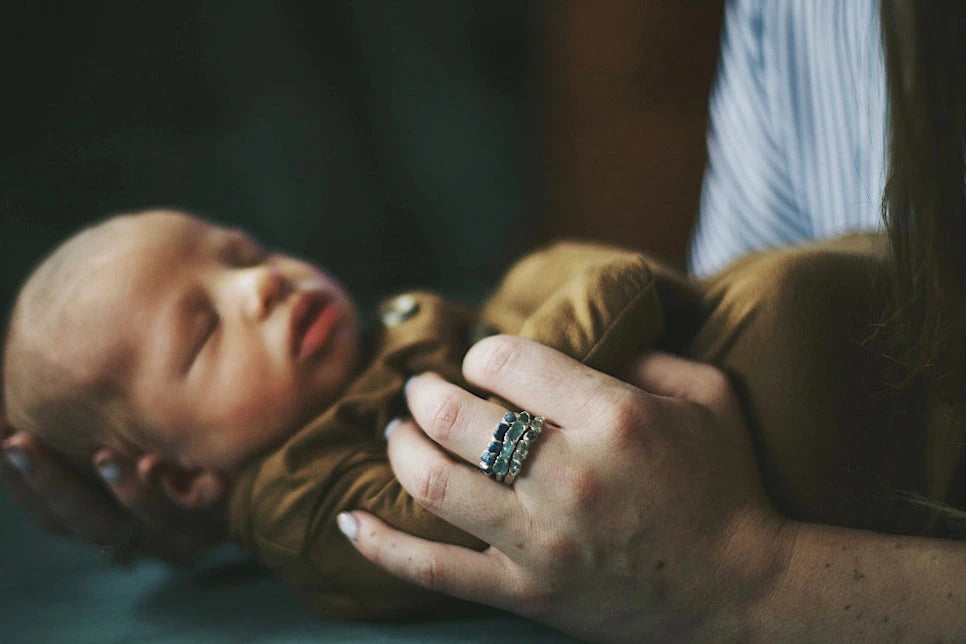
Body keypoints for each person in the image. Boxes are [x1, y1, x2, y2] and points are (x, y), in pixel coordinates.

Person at [4, 0, 966, 639]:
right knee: (798, 306)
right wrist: (590, 309)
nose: (258, 287)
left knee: (805, 301)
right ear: (175, 476)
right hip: (752, 443)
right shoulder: (305, 503)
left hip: (751, 422)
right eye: (206, 331)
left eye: (244, 255)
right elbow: (454, 504)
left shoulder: (380, 338)